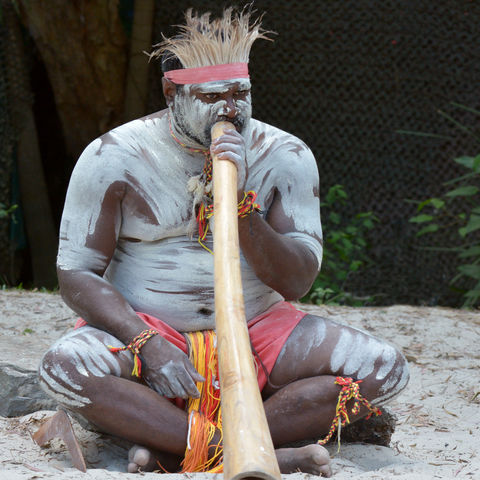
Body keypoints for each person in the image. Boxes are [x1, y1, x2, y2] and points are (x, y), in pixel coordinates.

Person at [38, 7, 409, 478]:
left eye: (241, 94)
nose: (230, 109)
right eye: (212, 96)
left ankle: (179, 448)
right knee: (62, 368)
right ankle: (248, 450)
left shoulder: (284, 154)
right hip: (146, 327)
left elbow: (297, 281)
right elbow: (75, 275)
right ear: (172, 93)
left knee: (385, 369)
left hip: (260, 327)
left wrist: (241, 206)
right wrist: (146, 343)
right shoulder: (114, 156)